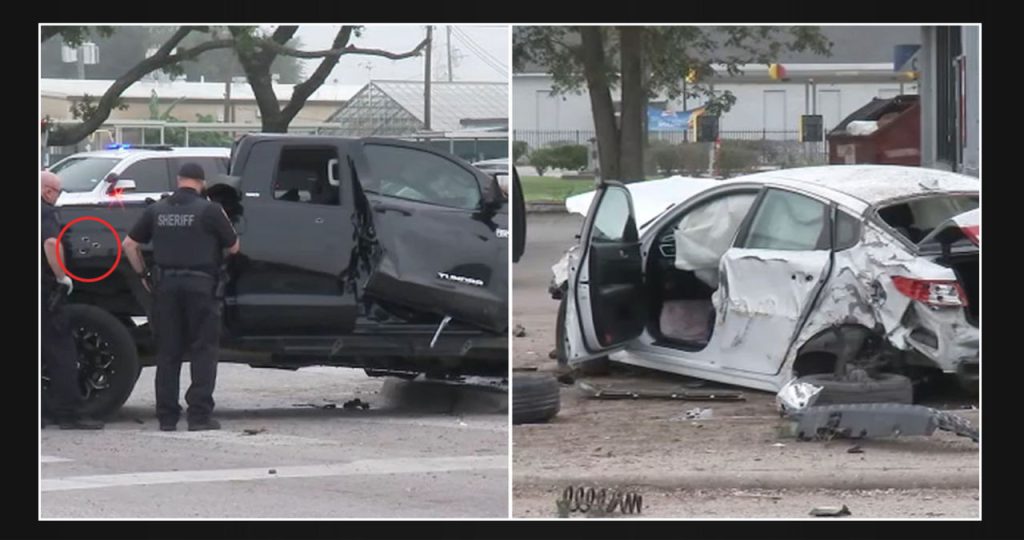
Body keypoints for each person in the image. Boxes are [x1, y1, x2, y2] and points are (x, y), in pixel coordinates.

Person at [122, 163, 240, 431]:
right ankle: (199, 417)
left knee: (168, 354)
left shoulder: (157, 209)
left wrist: (143, 274)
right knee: (203, 351)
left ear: (179, 180)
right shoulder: (210, 210)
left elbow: (129, 244)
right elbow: (234, 246)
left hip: (165, 287)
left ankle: (166, 418)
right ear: (202, 182)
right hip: (201, 286)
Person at [40, 171, 104, 430]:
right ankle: (68, 413)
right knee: (61, 350)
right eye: (58, 192)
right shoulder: (45, 212)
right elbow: (51, 243)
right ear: (47, 192)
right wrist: (62, 277)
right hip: (44, 290)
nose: (58, 197)